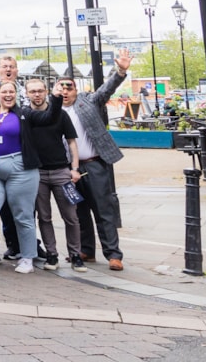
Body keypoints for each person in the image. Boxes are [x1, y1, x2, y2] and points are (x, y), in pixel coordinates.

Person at [0, 80, 62, 274]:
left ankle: (27, 257)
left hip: (20, 168)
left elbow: (50, 117)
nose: (8, 95)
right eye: (4, 92)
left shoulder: (24, 114)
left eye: (12, 91)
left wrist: (55, 98)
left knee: (23, 215)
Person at [61, 48, 133, 271]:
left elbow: (106, 90)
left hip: (94, 164)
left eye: (69, 86)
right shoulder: (53, 111)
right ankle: (86, 250)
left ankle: (113, 254)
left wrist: (120, 71)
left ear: (76, 89)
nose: (64, 91)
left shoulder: (88, 102)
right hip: (69, 170)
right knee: (79, 211)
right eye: (60, 87)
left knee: (104, 210)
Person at [28, 78, 85, 272]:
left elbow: (71, 142)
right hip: (38, 173)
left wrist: (74, 168)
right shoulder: (25, 116)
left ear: (46, 92)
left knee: (71, 216)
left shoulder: (60, 115)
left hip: (61, 171)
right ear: (27, 94)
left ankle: (76, 254)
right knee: (44, 217)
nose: (37, 94)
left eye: (40, 91)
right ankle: (52, 254)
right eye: (32, 91)